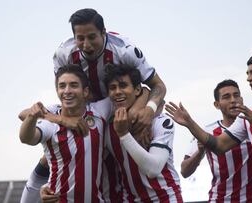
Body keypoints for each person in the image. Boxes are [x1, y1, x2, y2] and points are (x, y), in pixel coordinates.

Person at [22, 8, 166, 202]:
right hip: (84, 114)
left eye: (92, 37)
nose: (86, 44)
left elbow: (155, 87)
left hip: (113, 111)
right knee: (57, 155)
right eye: (80, 38)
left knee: (112, 166)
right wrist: (64, 120)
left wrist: (146, 109)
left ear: (103, 33)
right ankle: (47, 185)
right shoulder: (63, 54)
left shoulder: (125, 50)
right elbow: (62, 91)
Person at [166, 53, 252, 203]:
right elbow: (218, 145)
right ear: (216, 105)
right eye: (248, 74)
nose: (249, 78)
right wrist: (190, 123)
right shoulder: (246, 118)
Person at [19, 64, 113, 202]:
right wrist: (33, 117)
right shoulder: (50, 124)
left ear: (85, 91)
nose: (67, 91)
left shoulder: (99, 112)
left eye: (73, 85)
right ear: (57, 91)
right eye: (62, 86)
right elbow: (26, 138)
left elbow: (137, 91)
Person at [102, 64, 183, 202]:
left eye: (123, 86)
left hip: (166, 198)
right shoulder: (108, 129)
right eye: (112, 88)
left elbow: (153, 169)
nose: (117, 92)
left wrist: (123, 135)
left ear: (137, 89)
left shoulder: (161, 122)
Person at [180, 79, 252, 202]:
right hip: (220, 199)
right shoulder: (207, 132)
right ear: (217, 105)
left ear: (242, 99)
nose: (233, 100)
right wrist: (200, 152)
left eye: (236, 95)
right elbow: (185, 171)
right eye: (226, 97)